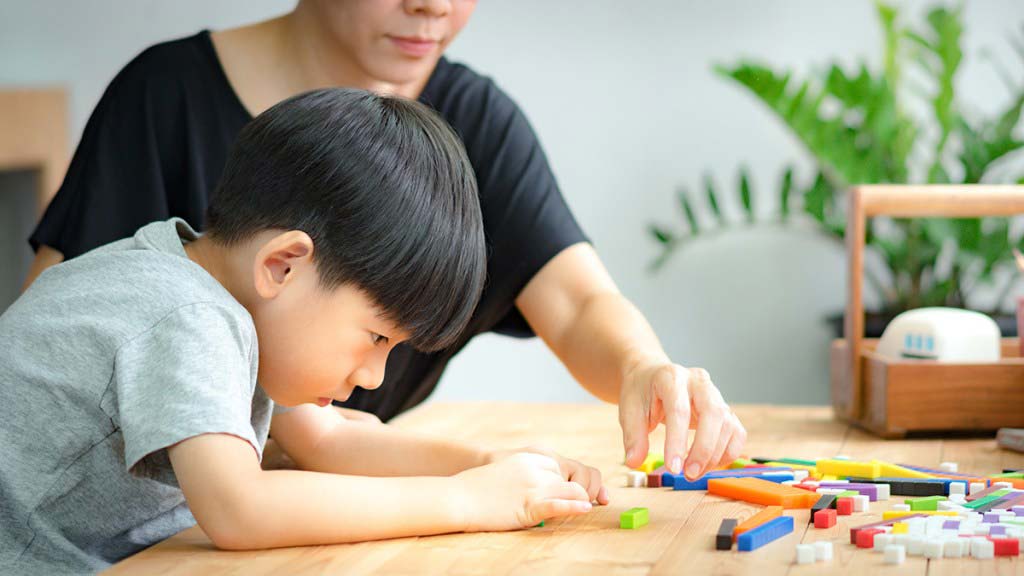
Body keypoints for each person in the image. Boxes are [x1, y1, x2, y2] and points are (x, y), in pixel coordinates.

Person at [24, 0, 745, 479]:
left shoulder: (474, 123)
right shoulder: (161, 101)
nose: (433, 5)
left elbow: (580, 301)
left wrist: (644, 368)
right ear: (282, 259)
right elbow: (49, 358)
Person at [0, 88, 607, 574]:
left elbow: (330, 441)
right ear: (283, 265)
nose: (372, 376)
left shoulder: (219, 294)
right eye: (376, 338)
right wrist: (469, 501)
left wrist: (491, 464)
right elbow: (241, 510)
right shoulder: (186, 315)